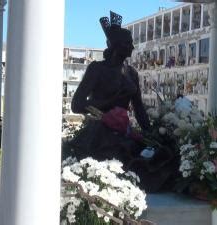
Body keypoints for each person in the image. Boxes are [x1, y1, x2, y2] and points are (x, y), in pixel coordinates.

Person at [65, 12, 175, 192]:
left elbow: (139, 109)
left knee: (160, 156)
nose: (132, 46)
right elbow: (77, 104)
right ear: (117, 46)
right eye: (128, 43)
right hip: (99, 133)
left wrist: (151, 135)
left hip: (124, 132)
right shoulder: (97, 69)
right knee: (123, 160)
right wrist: (113, 99)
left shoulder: (131, 73)